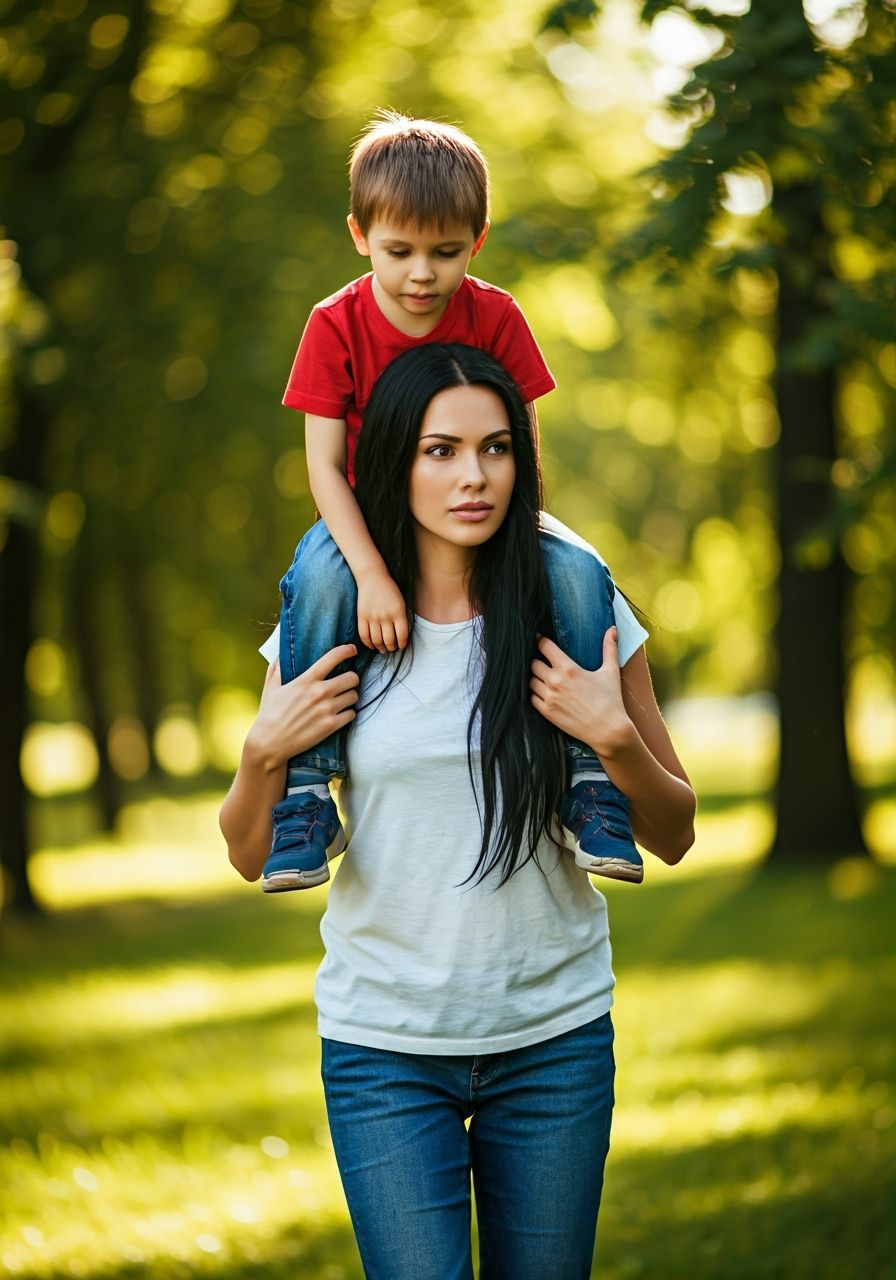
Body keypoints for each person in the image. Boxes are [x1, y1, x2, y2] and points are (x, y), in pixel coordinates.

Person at [221, 344, 696, 1280]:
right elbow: (245, 853)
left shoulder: (580, 609)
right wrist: (262, 752)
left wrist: (614, 739)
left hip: (553, 1045)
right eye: (441, 450)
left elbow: (674, 833)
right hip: (383, 1053)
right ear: (394, 459)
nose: (473, 476)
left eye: (496, 448)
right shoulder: (329, 624)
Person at [264, 110, 644, 893]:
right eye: (399, 251)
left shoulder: (495, 315)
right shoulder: (334, 325)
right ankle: (303, 796)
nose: (421, 276)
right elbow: (327, 468)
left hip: (487, 513)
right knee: (320, 579)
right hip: (366, 522)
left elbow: (522, 444)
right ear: (359, 234)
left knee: (576, 567)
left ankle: (590, 783)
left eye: (446, 253)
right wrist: (371, 573)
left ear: (478, 239)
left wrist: (517, 539)